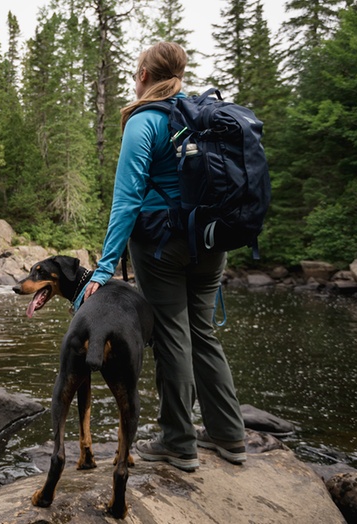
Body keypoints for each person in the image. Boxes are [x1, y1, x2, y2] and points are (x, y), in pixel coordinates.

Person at [82, 41, 246, 471]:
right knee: (203, 332)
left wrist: (103, 268)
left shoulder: (146, 121)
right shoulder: (200, 118)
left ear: (143, 76)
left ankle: (178, 441)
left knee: (173, 335)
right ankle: (230, 436)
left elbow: (126, 202)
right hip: (211, 243)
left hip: (160, 246)